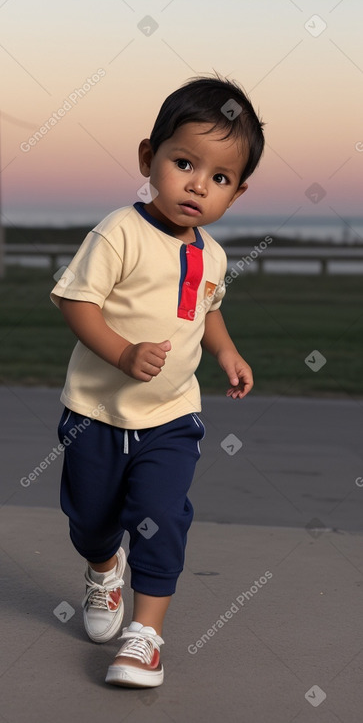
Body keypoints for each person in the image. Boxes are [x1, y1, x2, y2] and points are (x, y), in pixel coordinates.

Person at [50, 74, 265, 688]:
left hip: (172, 417)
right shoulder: (119, 230)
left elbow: (206, 307)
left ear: (237, 192)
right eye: (184, 163)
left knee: (161, 512)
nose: (199, 185)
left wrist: (226, 353)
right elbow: (75, 300)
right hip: (95, 413)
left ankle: (146, 637)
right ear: (149, 158)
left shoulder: (213, 254)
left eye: (220, 178)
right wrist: (121, 354)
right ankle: (101, 568)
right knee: (91, 520)